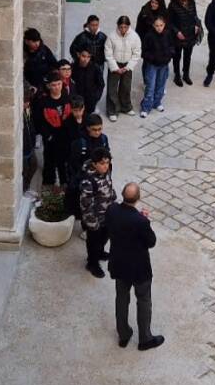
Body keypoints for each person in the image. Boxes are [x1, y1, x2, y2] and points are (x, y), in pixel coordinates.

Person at [105, 183, 165, 351]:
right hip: (139, 268)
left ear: (123, 195)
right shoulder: (141, 221)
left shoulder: (112, 210)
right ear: (138, 198)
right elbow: (151, 242)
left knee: (121, 299)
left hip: (119, 264)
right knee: (144, 300)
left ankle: (123, 335)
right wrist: (145, 219)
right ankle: (145, 339)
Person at [78, 147, 116, 278]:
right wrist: (92, 223)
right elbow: (86, 205)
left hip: (107, 213)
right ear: (94, 164)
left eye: (107, 162)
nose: (105, 166)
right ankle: (92, 263)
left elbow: (109, 185)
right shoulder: (88, 181)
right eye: (102, 163)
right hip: (94, 218)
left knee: (105, 237)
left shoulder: (108, 170)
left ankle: (100, 253)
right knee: (93, 241)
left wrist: (113, 198)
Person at [66, 113, 110, 219]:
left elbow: (107, 156)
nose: (97, 132)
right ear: (87, 128)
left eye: (100, 129)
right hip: (84, 179)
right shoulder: (80, 143)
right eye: (94, 130)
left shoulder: (103, 139)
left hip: (100, 178)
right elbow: (73, 163)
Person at [32, 71, 72, 187]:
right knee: (50, 162)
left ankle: (65, 184)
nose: (57, 87)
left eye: (59, 84)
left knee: (64, 162)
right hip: (50, 138)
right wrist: (48, 136)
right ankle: (49, 186)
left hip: (65, 137)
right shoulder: (43, 102)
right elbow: (39, 121)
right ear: (49, 86)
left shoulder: (67, 98)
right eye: (54, 85)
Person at [104, 15, 141, 121]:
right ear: (118, 26)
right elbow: (108, 53)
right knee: (112, 88)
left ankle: (126, 107)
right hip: (115, 64)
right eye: (121, 27)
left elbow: (137, 53)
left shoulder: (134, 37)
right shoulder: (111, 36)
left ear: (129, 26)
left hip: (127, 64)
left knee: (126, 86)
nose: (123, 29)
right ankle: (112, 110)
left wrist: (128, 67)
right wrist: (115, 67)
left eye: (125, 27)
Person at [139, 15, 174, 118]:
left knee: (161, 85)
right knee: (150, 86)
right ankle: (146, 107)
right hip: (152, 65)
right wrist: (153, 58)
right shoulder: (149, 36)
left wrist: (169, 55)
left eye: (161, 25)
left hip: (164, 64)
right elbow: (144, 51)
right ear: (153, 26)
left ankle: (157, 102)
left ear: (164, 25)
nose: (159, 28)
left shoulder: (168, 34)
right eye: (157, 25)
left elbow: (172, 46)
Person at [167, 0, 200, 86]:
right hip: (178, 35)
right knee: (177, 56)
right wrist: (177, 32)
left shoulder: (192, 3)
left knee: (187, 56)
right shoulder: (172, 5)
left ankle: (186, 74)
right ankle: (177, 75)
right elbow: (169, 21)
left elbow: (195, 16)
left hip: (190, 33)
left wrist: (196, 25)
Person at [71, 46, 105, 113]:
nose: (86, 59)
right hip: (77, 101)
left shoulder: (95, 67)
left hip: (91, 100)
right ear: (78, 55)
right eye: (83, 56)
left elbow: (101, 84)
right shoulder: (73, 67)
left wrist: (96, 97)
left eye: (88, 57)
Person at [22, 86, 37, 194]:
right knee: (25, 169)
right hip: (23, 148)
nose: (27, 104)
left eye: (28, 101)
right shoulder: (19, 113)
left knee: (33, 165)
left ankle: (26, 185)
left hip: (30, 145)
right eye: (25, 101)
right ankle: (23, 187)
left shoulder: (28, 111)